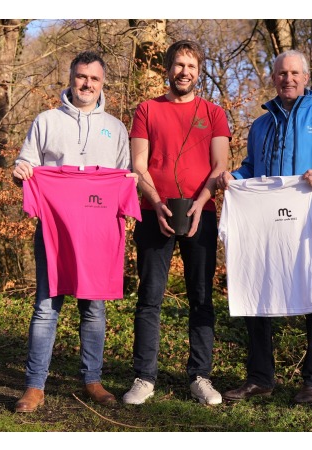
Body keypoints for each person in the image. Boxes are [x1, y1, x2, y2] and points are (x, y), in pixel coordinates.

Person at [219, 49, 312, 403]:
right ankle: (260, 378)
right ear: (273, 78)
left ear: (306, 78)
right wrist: (232, 178)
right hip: (264, 223)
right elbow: (251, 168)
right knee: (256, 293)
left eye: (295, 73)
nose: (288, 79)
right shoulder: (261, 125)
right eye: (282, 73)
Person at [12, 51, 135, 412]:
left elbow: (124, 176)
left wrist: (131, 183)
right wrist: (21, 169)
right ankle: (34, 386)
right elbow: (27, 161)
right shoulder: (46, 121)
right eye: (81, 77)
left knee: (94, 309)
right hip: (55, 233)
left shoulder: (115, 127)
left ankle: (92, 380)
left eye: (94, 79)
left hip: (97, 235)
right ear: (71, 78)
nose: (87, 84)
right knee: (46, 307)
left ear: (102, 83)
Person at [123, 40, 231, 405]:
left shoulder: (214, 113)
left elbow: (219, 167)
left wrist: (201, 204)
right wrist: (155, 201)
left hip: (202, 214)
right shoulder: (147, 109)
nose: (184, 72)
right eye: (178, 65)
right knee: (149, 297)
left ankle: (200, 376)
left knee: (201, 297)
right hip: (155, 213)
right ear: (168, 68)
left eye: (191, 66)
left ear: (199, 72)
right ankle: (144, 378)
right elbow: (138, 165)